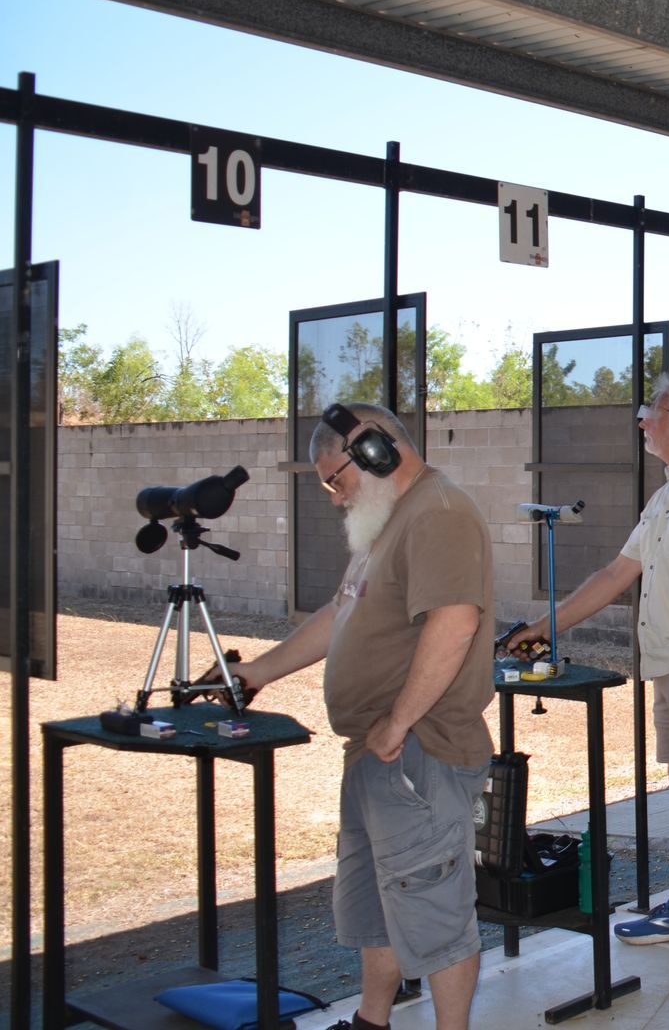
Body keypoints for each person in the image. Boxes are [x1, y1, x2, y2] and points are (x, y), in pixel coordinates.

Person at [227, 404, 493, 1030]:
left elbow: (455, 625)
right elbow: (339, 614)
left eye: (335, 478)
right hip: (379, 755)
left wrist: (397, 722)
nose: (333, 494)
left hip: (418, 752)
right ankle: (372, 1022)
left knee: (437, 918)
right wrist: (257, 672)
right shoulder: (388, 522)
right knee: (380, 907)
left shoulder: (440, 515)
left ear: (374, 451)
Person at [515, 375, 669, 994]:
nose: (642, 424)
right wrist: (543, 625)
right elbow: (613, 574)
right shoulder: (667, 497)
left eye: (649, 415)